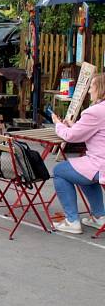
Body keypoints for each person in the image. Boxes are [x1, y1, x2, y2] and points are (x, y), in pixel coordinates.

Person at [50, 73, 105, 234]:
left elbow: (72, 137)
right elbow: (95, 131)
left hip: (100, 164)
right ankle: (99, 216)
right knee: (79, 170)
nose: (89, 91)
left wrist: (58, 124)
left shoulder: (95, 111)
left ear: (100, 89)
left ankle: (72, 220)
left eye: (92, 87)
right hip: (99, 163)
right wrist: (75, 125)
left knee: (60, 171)